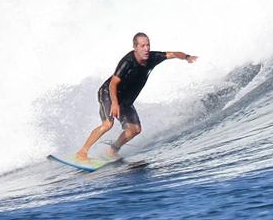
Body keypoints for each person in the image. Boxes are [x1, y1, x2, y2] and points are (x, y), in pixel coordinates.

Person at [76, 32, 197, 161]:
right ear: (135, 47)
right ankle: (82, 152)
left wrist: (187, 57)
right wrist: (115, 103)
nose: (146, 49)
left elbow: (173, 54)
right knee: (107, 124)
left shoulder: (153, 57)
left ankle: (112, 150)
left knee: (135, 129)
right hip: (108, 93)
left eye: (148, 45)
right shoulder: (127, 62)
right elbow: (113, 84)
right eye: (142, 46)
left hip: (125, 100)